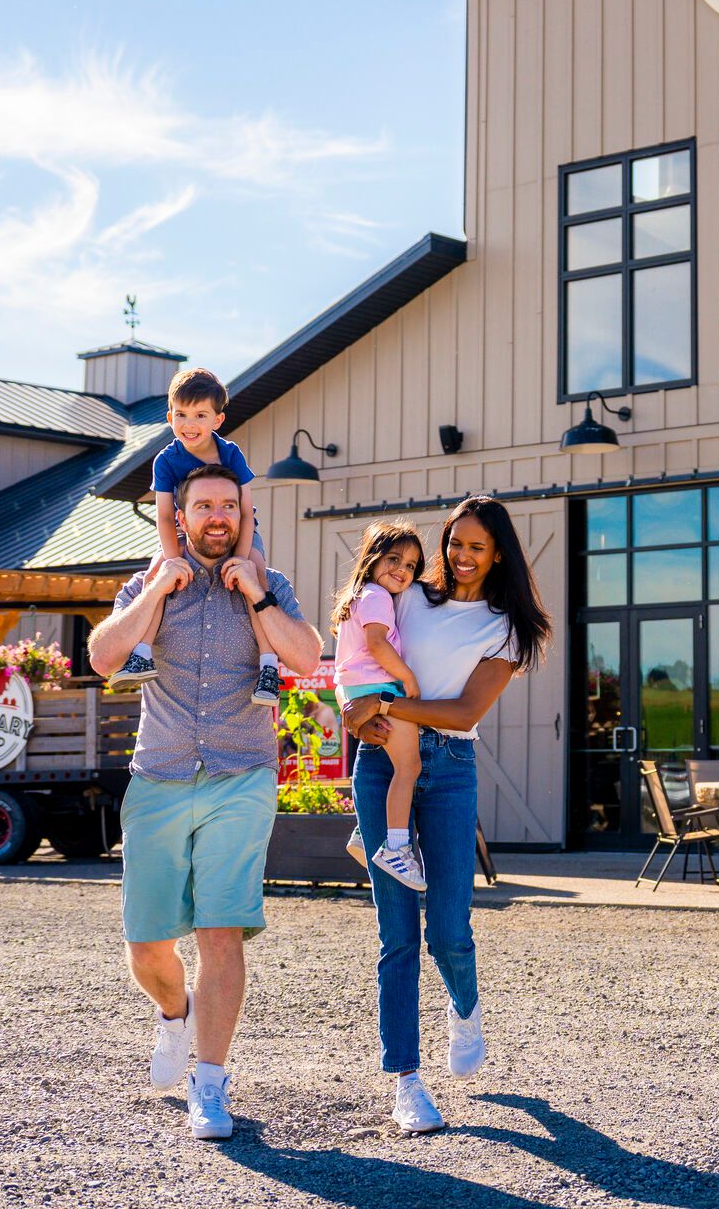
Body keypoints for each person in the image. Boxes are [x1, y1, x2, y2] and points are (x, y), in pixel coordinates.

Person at [88, 463, 320, 1142]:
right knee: (147, 948)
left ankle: (210, 1083)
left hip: (240, 776)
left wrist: (259, 597)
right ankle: (173, 1014)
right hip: (158, 777)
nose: (217, 517)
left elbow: (306, 657)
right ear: (181, 518)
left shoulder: (267, 584)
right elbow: (104, 655)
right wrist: (156, 589)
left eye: (228, 506)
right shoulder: (151, 581)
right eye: (203, 506)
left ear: (242, 517)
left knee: (220, 931)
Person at [340, 495, 550, 1136]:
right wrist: (352, 710)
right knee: (397, 934)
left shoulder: (508, 627)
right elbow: (355, 650)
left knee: (450, 929)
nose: (460, 556)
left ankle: (465, 1008)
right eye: (454, 542)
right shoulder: (406, 595)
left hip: (450, 767)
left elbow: (462, 714)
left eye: (476, 547)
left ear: (498, 554)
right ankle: (406, 1080)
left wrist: (385, 709)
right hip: (380, 763)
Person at [141, 367, 278, 708]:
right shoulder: (167, 460)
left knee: (256, 571)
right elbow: (162, 515)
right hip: (186, 532)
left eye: (200, 415)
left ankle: (268, 665)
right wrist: (172, 560)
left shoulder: (230, 454)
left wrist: (241, 558)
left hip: (237, 530)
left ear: (217, 420)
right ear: (170, 416)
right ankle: (141, 652)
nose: (190, 424)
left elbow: (246, 512)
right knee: (155, 572)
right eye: (182, 415)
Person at [329, 522, 427, 889]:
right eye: (394, 559)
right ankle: (397, 848)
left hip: (357, 690)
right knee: (409, 766)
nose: (403, 570)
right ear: (371, 559)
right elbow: (377, 645)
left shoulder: (360, 596)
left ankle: (363, 833)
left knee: (393, 767)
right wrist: (409, 679)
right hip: (378, 686)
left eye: (412, 566)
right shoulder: (377, 597)